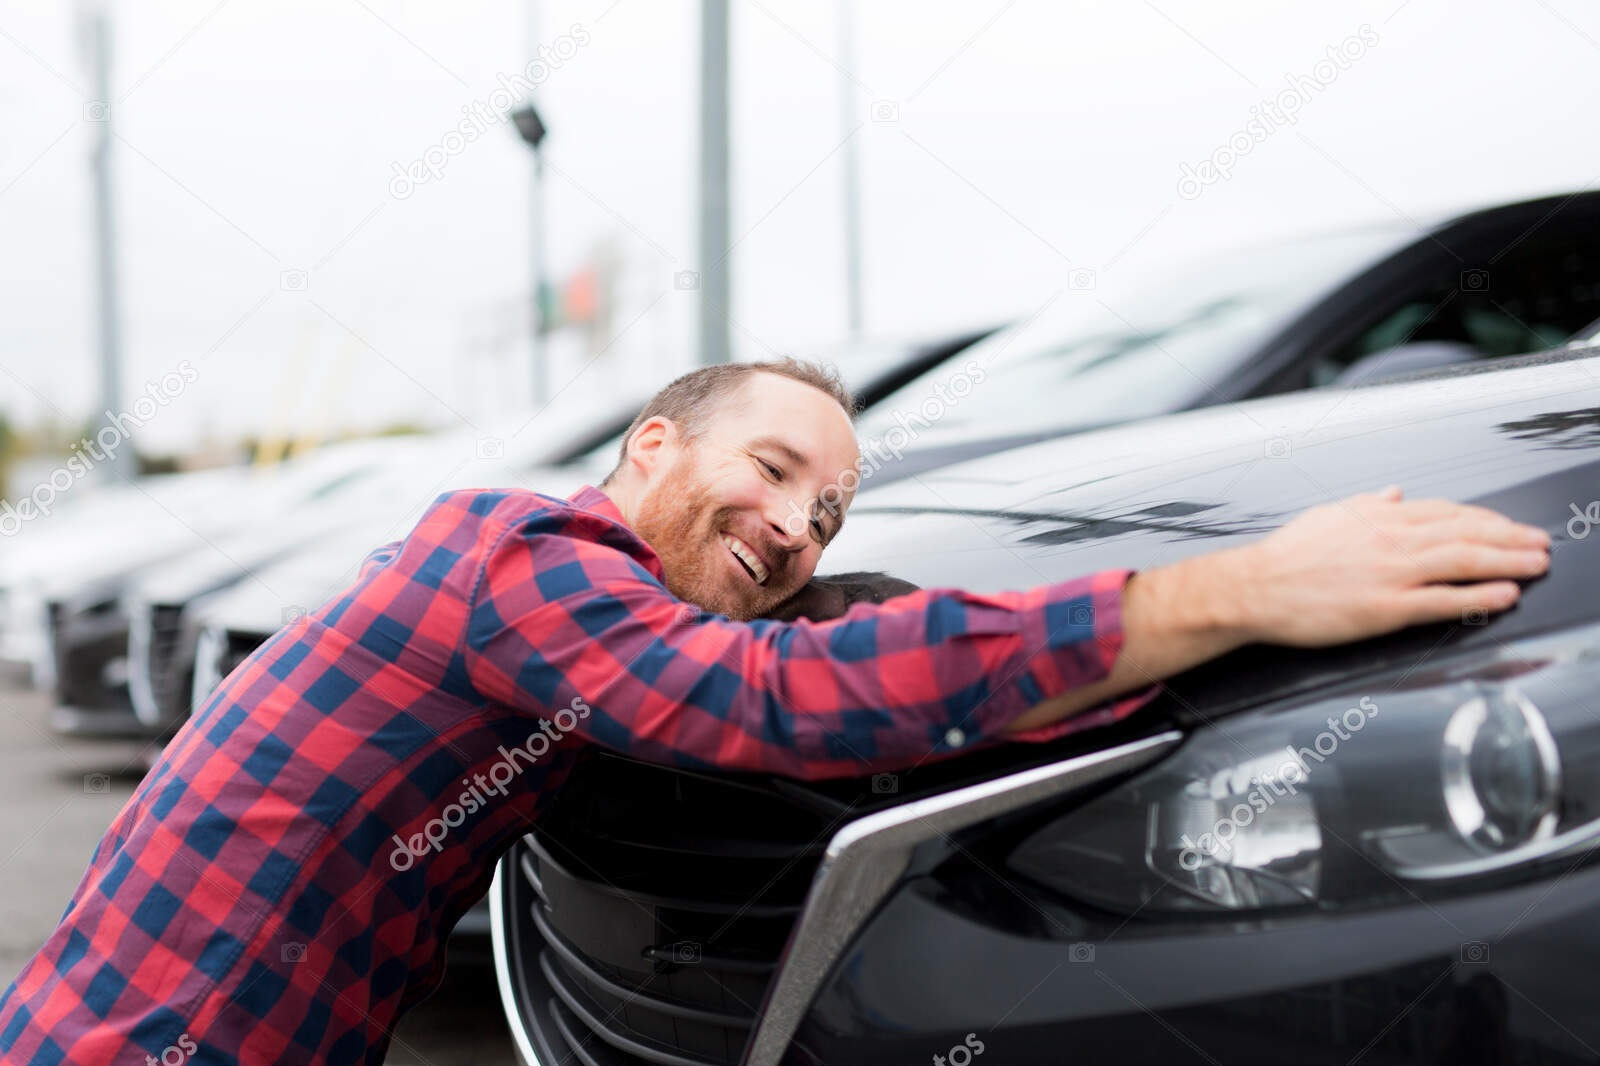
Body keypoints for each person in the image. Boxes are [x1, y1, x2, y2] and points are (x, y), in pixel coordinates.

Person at [0, 359, 1550, 1065]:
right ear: (655, 444)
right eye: (775, 471)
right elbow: (765, 698)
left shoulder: (530, 587)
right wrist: (1240, 591)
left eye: (830, 509)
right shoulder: (521, 557)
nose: (802, 523)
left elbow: (821, 662)